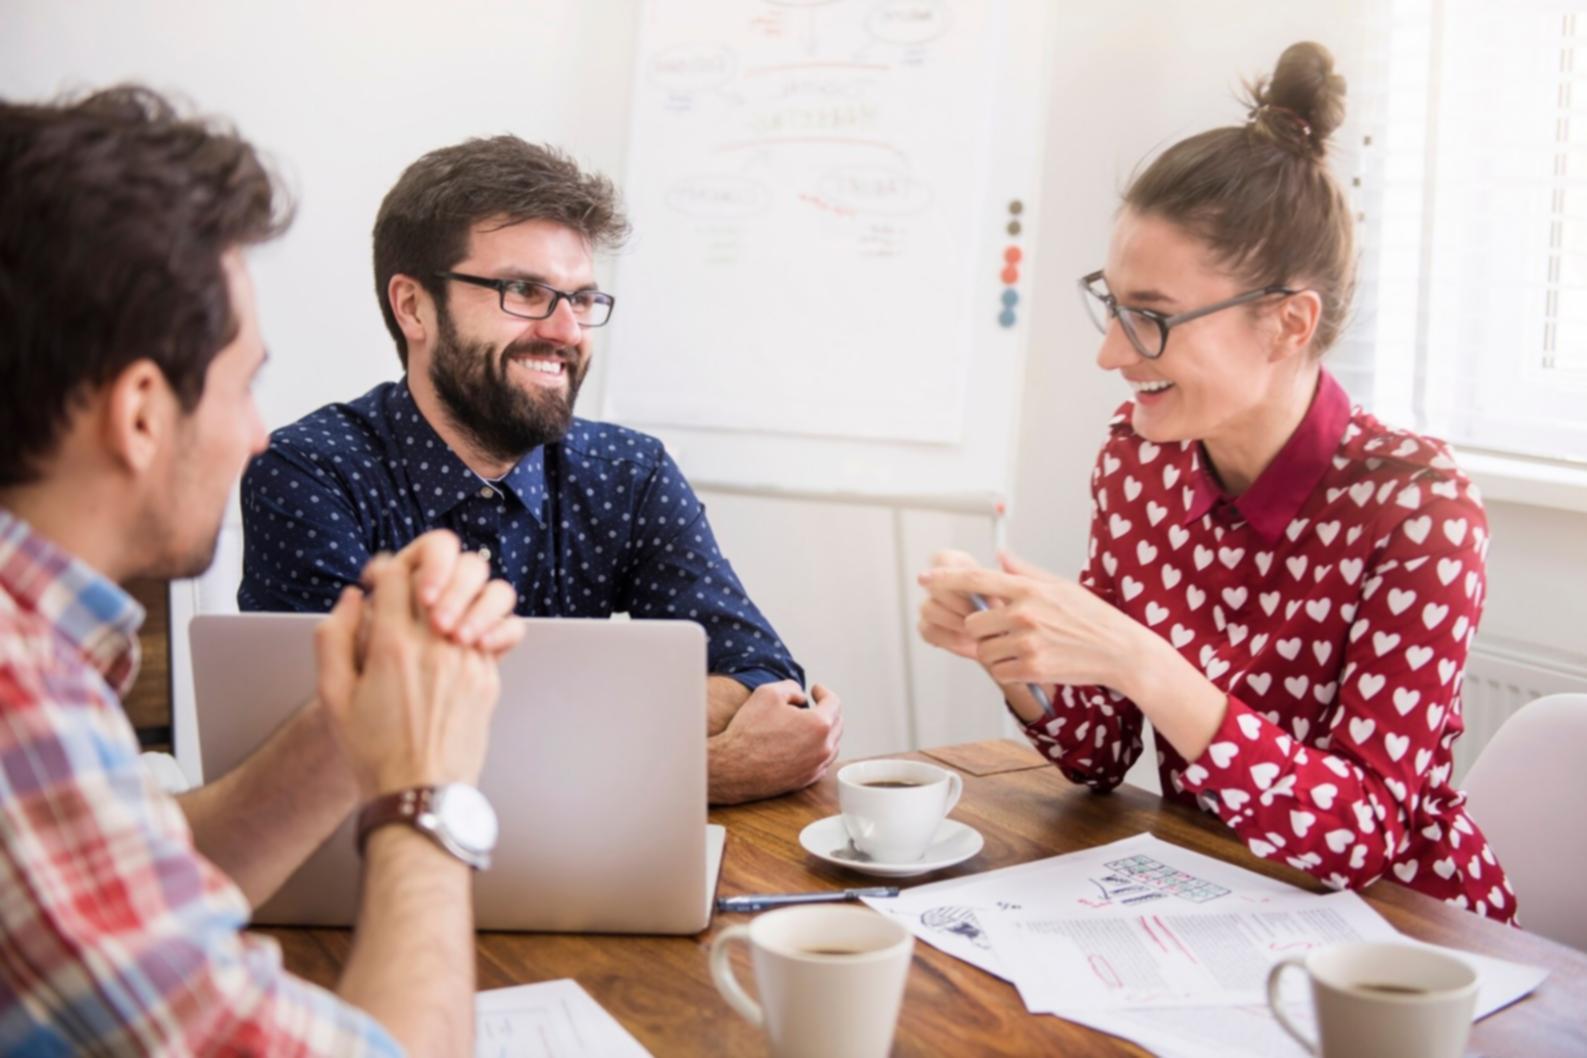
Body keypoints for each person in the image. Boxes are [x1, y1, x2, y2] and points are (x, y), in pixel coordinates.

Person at [916, 43, 1516, 922]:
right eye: (1111, 305)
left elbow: (1363, 835)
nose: (1111, 353)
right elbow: (1099, 752)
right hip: (1211, 895)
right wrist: (1014, 656)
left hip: (1404, 931)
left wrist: (1150, 669)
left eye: (1150, 318)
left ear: (1285, 323)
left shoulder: (1416, 507)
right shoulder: (1136, 459)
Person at [0, 86, 526, 1055]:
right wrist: (425, 795)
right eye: (243, 383)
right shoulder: (17, 700)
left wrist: (353, 715)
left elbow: (124, 881)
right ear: (143, 411)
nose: (255, 435)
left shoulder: (33, 660)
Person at [236, 135, 842, 804]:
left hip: (595, 880)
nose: (567, 332)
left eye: (580, 300)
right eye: (524, 291)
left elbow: (761, 680)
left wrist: (523, 740)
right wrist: (694, 773)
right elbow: (342, 754)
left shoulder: (627, 472)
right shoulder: (310, 473)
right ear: (413, 306)